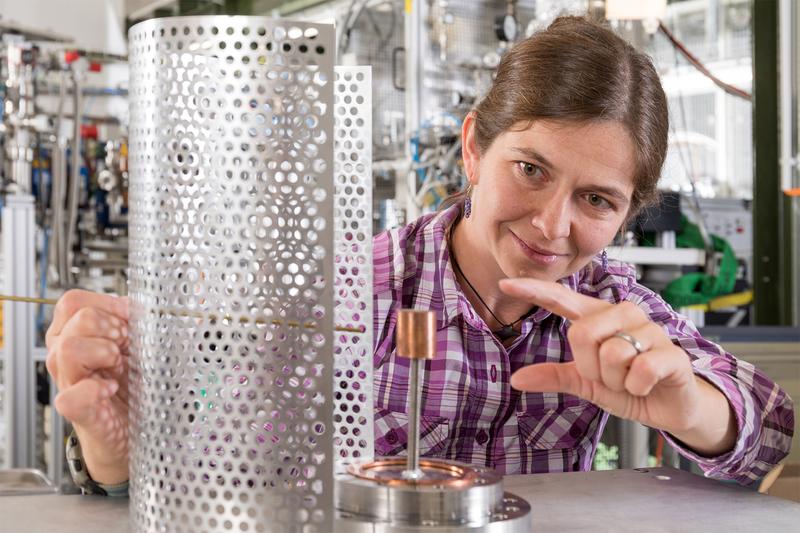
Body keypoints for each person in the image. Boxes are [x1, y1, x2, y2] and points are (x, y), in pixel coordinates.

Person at [46, 16, 792, 495]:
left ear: (628, 211)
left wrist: (693, 407)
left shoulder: (611, 303)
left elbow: (774, 433)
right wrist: (116, 453)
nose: (552, 225)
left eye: (597, 200)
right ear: (473, 147)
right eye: (529, 169)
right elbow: (221, 463)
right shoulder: (347, 292)